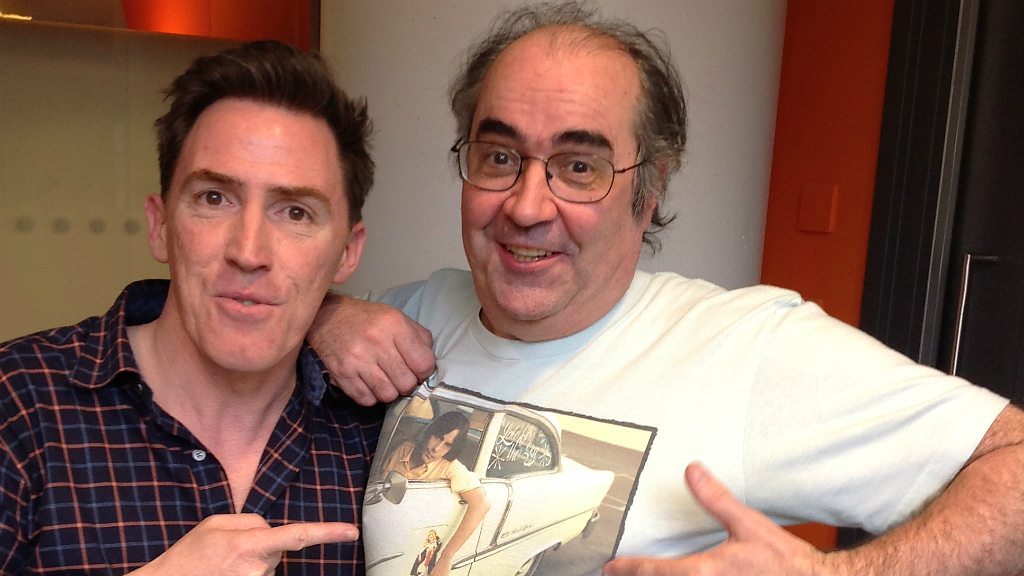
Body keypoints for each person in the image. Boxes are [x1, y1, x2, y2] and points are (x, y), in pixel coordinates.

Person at [308, 2, 1024, 575]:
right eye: (499, 156)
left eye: (579, 167)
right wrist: (323, 314)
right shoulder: (409, 315)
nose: (526, 206)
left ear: (647, 193)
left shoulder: (744, 349)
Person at [0, 41, 385, 575]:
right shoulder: (18, 405)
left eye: (295, 212)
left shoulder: (382, 439)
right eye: (214, 199)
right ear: (160, 226)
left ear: (346, 252)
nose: (248, 251)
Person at [381, 410, 489, 576]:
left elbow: (481, 504)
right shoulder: (405, 448)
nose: (436, 448)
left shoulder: (450, 467)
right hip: (386, 527)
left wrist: (446, 557)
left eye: (447, 445)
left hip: (412, 540)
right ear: (430, 432)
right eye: (438, 437)